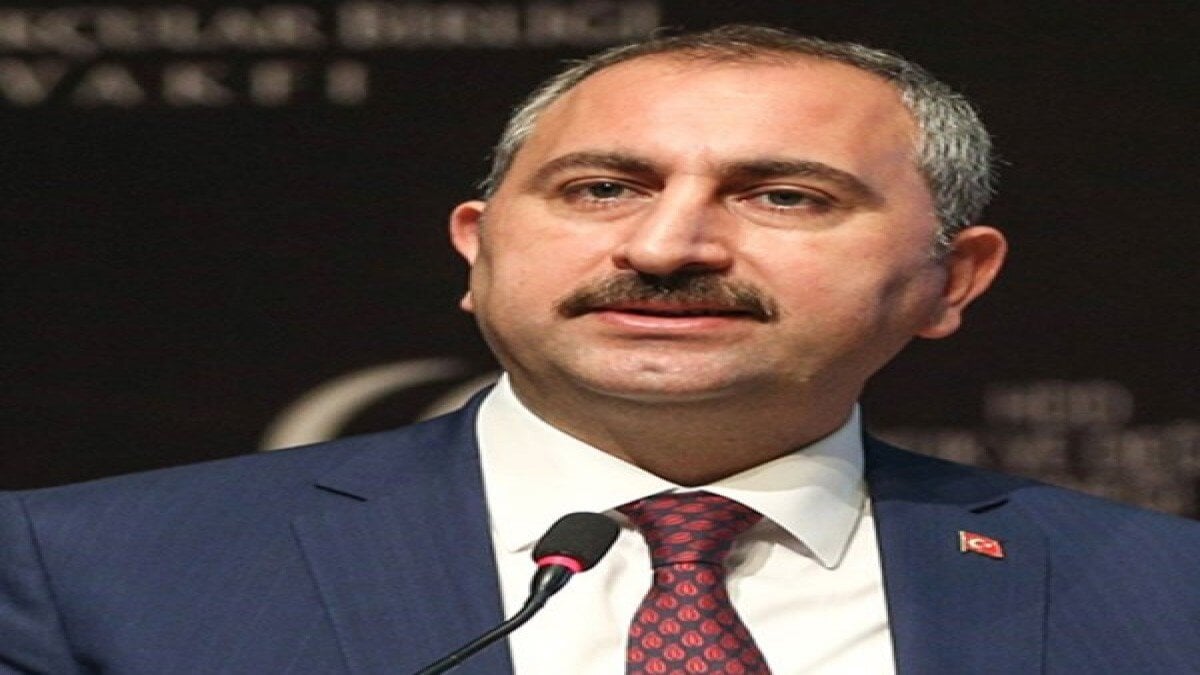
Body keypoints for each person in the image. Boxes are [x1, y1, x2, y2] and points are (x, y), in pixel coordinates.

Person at [1, 25, 1197, 675]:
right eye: (602, 188)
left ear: (953, 278)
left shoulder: (1165, 600)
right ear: (479, 249)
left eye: (783, 197)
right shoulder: (95, 576)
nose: (669, 247)